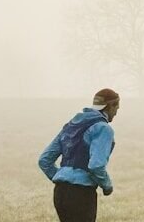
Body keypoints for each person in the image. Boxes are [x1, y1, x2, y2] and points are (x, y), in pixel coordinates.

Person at [39, 88, 120, 222]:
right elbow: (96, 166)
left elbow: (44, 160)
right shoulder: (103, 128)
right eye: (117, 108)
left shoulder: (71, 125)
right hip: (82, 194)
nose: (116, 113)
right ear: (110, 106)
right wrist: (107, 186)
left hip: (59, 193)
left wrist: (64, 179)